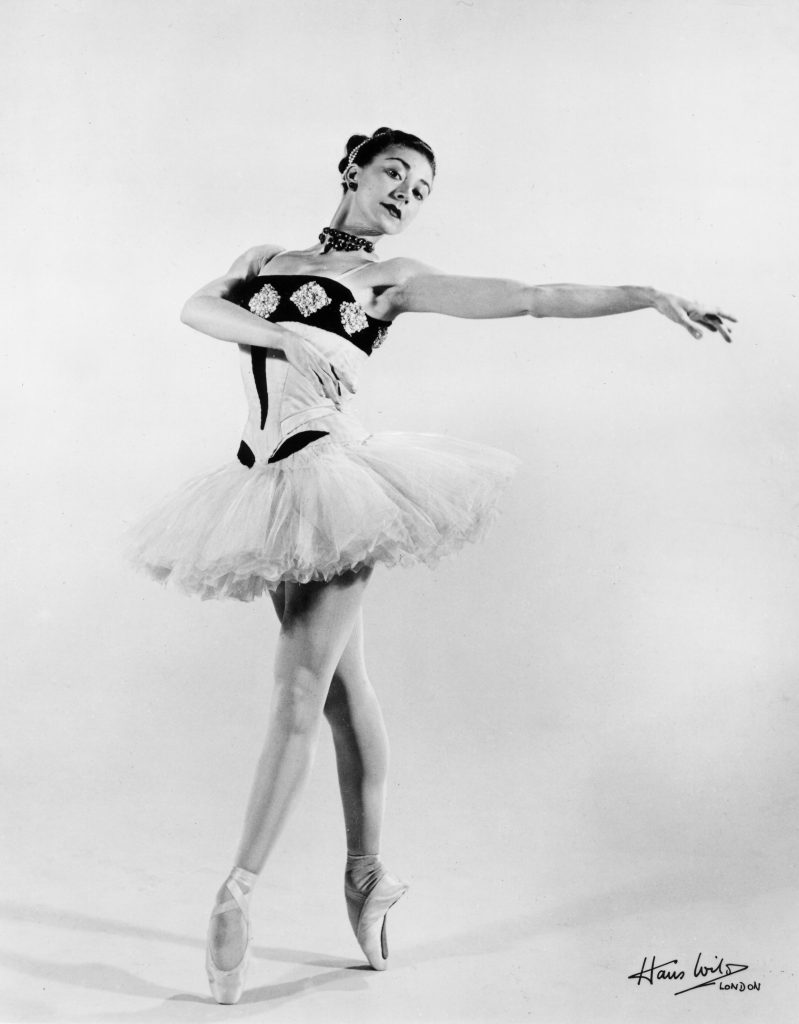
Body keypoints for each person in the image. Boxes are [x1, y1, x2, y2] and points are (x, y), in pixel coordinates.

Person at [124, 126, 735, 1003]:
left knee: (299, 693)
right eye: (394, 175)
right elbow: (197, 309)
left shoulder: (391, 280)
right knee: (339, 691)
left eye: (421, 189)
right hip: (264, 486)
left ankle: (237, 895)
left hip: (336, 482)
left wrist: (645, 293)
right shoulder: (262, 256)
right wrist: (293, 340)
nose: (407, 194)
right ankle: (367, 875)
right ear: (351, 172)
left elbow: (530, 296)